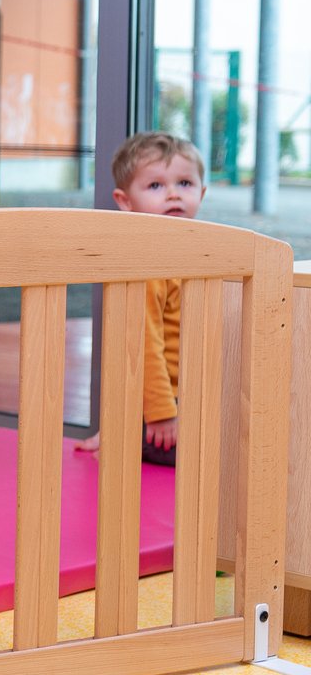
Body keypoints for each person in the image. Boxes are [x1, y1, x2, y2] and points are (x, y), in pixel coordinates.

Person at [77, 131, 206, 465]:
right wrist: (162, 414)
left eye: (185, 183)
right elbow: (143, 345)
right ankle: (129, 435)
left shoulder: (201, 254)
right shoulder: (149, 266)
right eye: (156, 186)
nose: (174, 194)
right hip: (163, 410)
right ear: (125, 201)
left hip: (190, 398)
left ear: (202, 192)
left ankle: (124, 432)